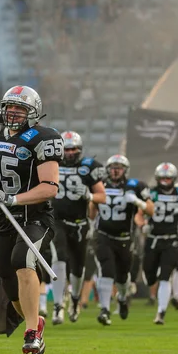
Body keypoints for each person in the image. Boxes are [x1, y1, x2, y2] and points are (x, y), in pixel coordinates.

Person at [0, 85, 63, 354]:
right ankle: (36, 322)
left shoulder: (44, 138)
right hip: (6, 219)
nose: (13, 113)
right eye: (10, 108)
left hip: (34, 217)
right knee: (6, 275)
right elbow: (1, 175)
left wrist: (15, 199)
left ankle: (32, 332)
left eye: (20, 109)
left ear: (34, 113)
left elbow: (50, 187)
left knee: (22, 261)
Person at [89, 154, 153, 326]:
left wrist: (138, 202)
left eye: (119, 168)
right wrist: (91, 202)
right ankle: (104, 309)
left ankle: (123, 298)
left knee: (123, 276)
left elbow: (151, 210)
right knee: (106, 269)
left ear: (125, 170)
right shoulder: (100, 184)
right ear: (108, 170)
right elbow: (92, 212)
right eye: (113, 168)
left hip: (124, 237)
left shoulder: (135, 186)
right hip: (102, 234)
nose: (116, 171)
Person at [50, 131, 105, 324]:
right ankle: (58, 306)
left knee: (78, 269)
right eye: (66, 149)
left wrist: (89, 196)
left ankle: (74, 300)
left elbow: (102, 196)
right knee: (60, 257)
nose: (70, 152)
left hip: (80, 223)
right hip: (57, 220)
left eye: (73, 149)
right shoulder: (51, 164)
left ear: (79, 150)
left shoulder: (88, 167)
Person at [144, 163, 178, 325]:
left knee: (165, 275)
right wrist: (142, 224)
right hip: (153, 238)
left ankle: (161, 312)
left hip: (171, 239)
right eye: (162, 178)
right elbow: (140, 214)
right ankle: (160, 301)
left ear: (173, 179)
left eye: (168, 178)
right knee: (149, 276)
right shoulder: (150, 193)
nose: (165, 181)